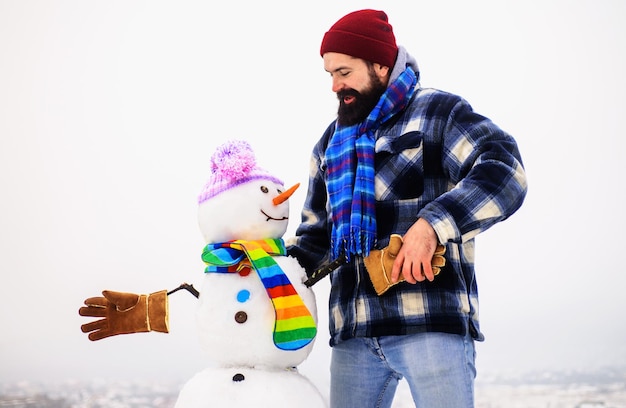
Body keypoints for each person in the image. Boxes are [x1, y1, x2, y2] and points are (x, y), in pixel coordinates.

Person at [286, 9, 528, 408]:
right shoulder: (329, 145)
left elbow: (505, 171)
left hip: (430, 323)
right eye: (330, 74)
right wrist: (259, 271)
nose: (335, 85)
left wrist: (433, 224)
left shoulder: (437, 114)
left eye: (344, 72)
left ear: (380, 64)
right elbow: (315, 239)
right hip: (354, 331)